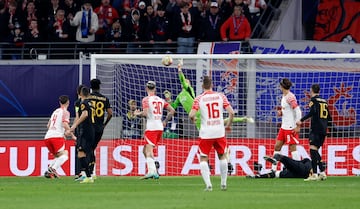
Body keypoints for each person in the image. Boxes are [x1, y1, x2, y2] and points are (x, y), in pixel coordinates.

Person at [164, 60, 254, 173]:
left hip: (202, 115)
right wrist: (168, 100)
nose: (186, 82)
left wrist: (179, 69)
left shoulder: (188, 90)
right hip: (197, 121)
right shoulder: (179, 97)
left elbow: (182, 80)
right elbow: (173, 108)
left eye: (187, 81)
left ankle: (243, 119)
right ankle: (214, 163)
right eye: (186, 81)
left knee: (220, 124)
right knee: (210, 141)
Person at [189, 76, 235, 191]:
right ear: (212, 85)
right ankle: (223, 183)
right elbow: (232, 112)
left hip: (206, 133)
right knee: (222, 156)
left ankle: (208, 185)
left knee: (203, 158)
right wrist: (228, 125)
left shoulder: (199, 99)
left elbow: (191, 114)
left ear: (202, 86)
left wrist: (193, 119)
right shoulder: (221, 96)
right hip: (219, 131)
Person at [134, 81, 175, 179]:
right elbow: (172, 110)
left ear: (146, 89)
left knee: (149, 150)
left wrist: (137, 114)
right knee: (145, 150)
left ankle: (152, 172)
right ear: (155, 89)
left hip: (151, 127)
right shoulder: (161, 100)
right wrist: (165, 121)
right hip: (159, 127)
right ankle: (154, 171)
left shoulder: (146, 99)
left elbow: (145, 113)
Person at [297, 84, 331, 181]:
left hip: (316, 128)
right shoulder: (324, 101)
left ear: (311, 90)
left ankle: (315, 174)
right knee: (315, 150)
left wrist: (301, 120)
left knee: (313, 150)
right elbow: (329, 116)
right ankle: (322, 172)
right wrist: (330, 129)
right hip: (323, 129)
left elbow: (312, 112)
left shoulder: (313, 100)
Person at [271, 78, 302, 172]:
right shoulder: (284, 96)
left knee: (292, 148)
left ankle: (298, 170)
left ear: (281, 86)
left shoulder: (290, 97)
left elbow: (298, 110)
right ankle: (273, 169)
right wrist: (281, 112)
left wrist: (298, 126)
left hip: (290, 127)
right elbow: (289, 110)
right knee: (277, 146)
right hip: (283, 127)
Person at [69, 86, 95, 183]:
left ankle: (88, 177)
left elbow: (84, 115)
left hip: (85, 131)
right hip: (91, 130)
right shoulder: (91, 103)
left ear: (80, 94)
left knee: (80, 153)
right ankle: (87, 175)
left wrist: (74, 126)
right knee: (85, 153)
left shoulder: (83, 103)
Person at [44, 95, 75, 179]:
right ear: (68, 102)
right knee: (64, 155)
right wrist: (72, 135)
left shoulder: (55, 111)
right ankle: (52, 169)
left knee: (57, 156)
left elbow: (48, 125)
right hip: (56, 137)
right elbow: (65, 124)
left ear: (59, 102)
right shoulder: (65, 112)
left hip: (47, 137)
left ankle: (49, 171)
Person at [89, 78, 113, 178]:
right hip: (99, 128)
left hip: (89, 127)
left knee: (88, 149)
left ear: (90, 87)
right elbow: (110, 114)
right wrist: (104, 124)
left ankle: (89, 172)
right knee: (92, 148)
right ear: (99, 86)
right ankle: (91, 171)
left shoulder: (88, 97)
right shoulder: (105, 99)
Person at [247, 154, 313, 179]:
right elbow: (272, 175)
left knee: (278, 156)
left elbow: (272, 175)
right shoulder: (285, 173)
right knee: (275, 173)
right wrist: (256, 177)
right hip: (302, 173)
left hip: (302, 171)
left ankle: (275, 160)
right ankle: (259, 173)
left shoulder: (285, 173)